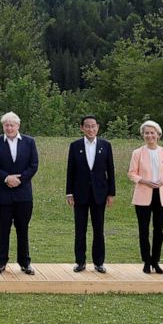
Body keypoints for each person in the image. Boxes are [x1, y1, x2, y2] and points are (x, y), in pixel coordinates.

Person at [0, 112, 39, 275]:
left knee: (23, 229)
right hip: (2, 194)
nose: (9, 128)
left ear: (18, 126)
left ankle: (25, 263)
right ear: (3, 126)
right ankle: (1, 262)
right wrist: (6, 178)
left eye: (12, 125)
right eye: (6, 125)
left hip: (23, 194)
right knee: (3, 229)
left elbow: (34, 164)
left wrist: (20, 179)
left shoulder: (29, 142)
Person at [65, 115, 115, 273]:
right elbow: (70, 171)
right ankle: (80, 261)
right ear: (81, 128)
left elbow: (110, 171)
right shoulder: (75, 146)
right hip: (80, 193)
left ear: (98, 127)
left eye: (93, 126)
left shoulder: (105, 146)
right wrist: (69, 192)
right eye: (87, 126)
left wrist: (111, 193)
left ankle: (99, 262)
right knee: (80, 229)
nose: (90, 129)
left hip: (100, 193)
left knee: (98, 229)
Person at [127, 120, 163, 274]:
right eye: (146, 133)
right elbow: (131, 173)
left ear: (158, 135)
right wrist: (144, 181)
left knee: (159, 231)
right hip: (143, 194)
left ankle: (156, 261)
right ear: (143, 135)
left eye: (152, 133)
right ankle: (146, 261)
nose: (149, 135)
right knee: (143, 230)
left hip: (161, 194)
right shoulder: (137, 153)